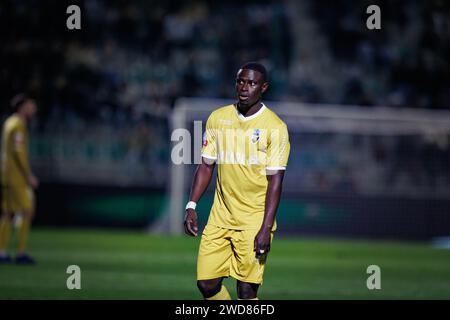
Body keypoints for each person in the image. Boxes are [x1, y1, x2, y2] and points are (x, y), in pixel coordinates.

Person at [184, 62, 290, 300]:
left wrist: (265, 228)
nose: (244, 87)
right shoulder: (218, 118)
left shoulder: (275, 127)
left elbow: (276, 181)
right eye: (240, 81)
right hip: (220, 217)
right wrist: (191, 205)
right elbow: (206, 165)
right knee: (206, 284)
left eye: (251, 83)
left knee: (246, 291)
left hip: (253, 220)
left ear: (263, 87)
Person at [0, 94, 39, 264]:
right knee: (28, 210)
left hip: (6, 175)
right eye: (31, 105)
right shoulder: (18, 125)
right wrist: (28, 175)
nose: (34, 109)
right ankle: (21, 252)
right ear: (22, 107)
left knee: (8, 214)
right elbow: (19, 152)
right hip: (16, 177)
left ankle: (1, 252)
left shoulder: (9, 123)